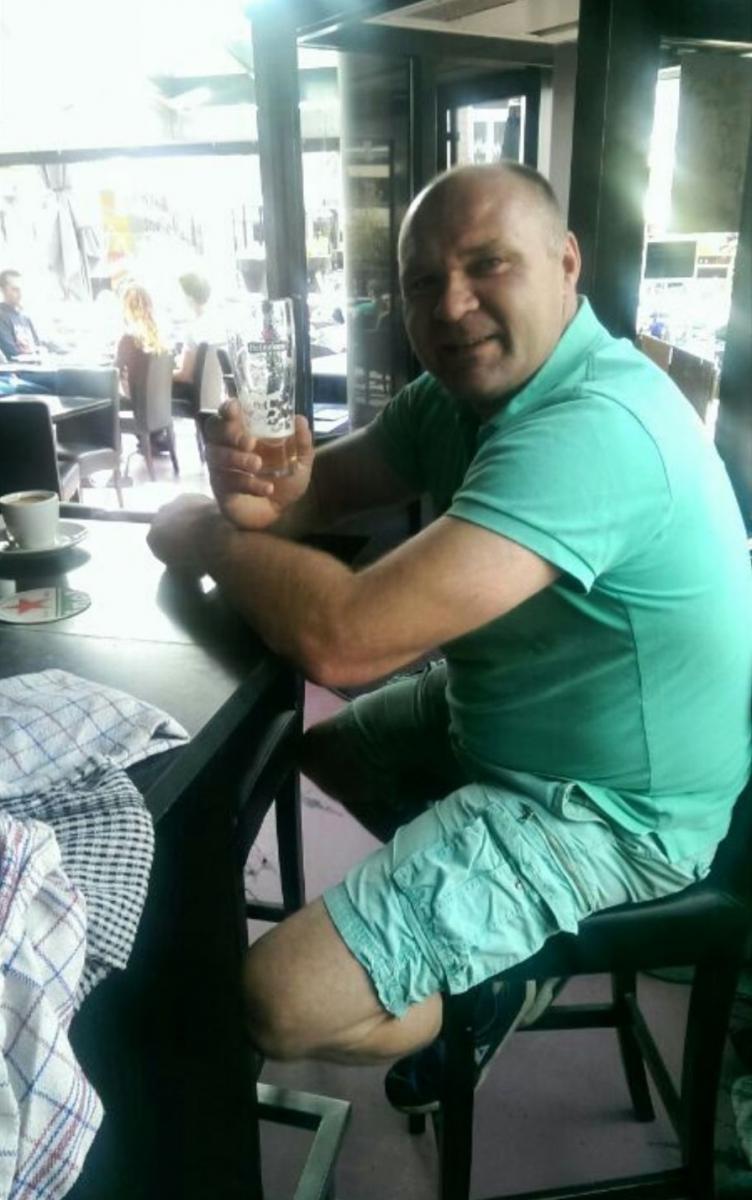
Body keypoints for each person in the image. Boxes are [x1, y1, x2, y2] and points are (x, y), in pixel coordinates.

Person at [147, 163, 752, 1113]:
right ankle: (479, 937)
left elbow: (345, 639)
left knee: (277, 1000)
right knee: (328, 751)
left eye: (487, 264)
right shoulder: (455, 399)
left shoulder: (595, 425)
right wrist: (253, 495)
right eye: (423, 281)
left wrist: (206, 533)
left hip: (610, 811)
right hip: (510, 719)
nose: (451, 305)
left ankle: (485, 983)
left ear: (566, 263)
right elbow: (314, 495)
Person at [115, 283, 167, 405]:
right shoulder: (160, 339)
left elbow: (113, 375)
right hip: (155, 405)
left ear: (126, 310)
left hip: (134, 404)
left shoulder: (128, 339)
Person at [172, 272, 216, 400]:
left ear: (189, 298)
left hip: (193, 397)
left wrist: (160, 375)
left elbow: (185, 375)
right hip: (214, 396)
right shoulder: (215, 324)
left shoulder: (193, 330)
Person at [0, 269, 57, 361]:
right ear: (3, 290)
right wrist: (38, 351)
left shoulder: (25, 317)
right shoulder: (2, 316)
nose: (20, 294)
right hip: (17, 367)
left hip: (36, 363)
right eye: (15, 289)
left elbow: (38, 343)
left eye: (22, 289)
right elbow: (12, 352)